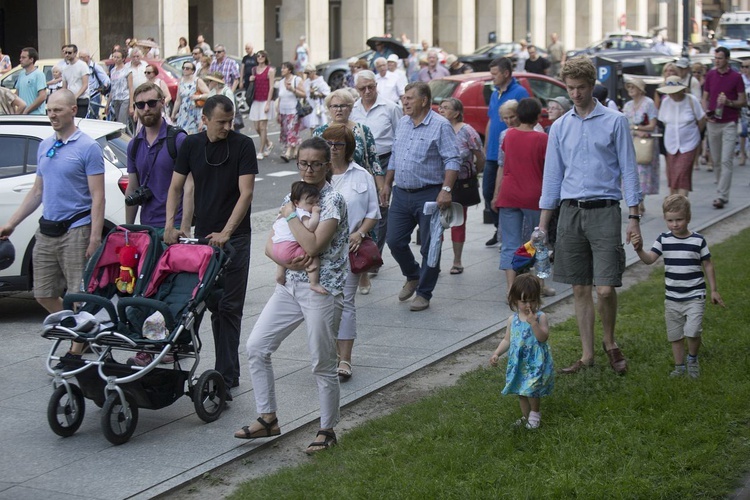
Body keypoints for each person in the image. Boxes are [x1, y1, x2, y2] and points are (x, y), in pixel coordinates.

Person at [238, 136, 349, 455]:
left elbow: (315, 245)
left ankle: (327, 429)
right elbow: (269, 245)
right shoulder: (294, 195)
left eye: (316, 164)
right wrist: (286, 257)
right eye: (303, 163)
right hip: (290, 286)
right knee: (257, 346)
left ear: (328, 166)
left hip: (322, 289)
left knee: (321, 362)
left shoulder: (332, 200)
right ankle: (268, 417)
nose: (309, 169)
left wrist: (289, 216)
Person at [539, 57, 642, 376]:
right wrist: (543, 224)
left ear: (592, 85)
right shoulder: (560, 126)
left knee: (605, 287)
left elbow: (629, 168)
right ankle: (587, 355)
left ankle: (609, 342)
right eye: (570, 89)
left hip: (605, 210)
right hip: (570, 212)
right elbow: (552, 176)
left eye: (581, 88)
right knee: (580, 288)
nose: (575, 94)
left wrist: (634, 215)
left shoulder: (614, 120)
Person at [0, 89, 104, 365]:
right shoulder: (45, 145)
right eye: (48, 110)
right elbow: (37, 190)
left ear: (73, 110)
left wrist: (94, 236)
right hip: (47, 229)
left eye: (57, 110)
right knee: (43, 292)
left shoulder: (88, 147)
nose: (52, 115)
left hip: (77, 229)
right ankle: (81, 330)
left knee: (77, 293)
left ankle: (75, 350)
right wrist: (11, 223)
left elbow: (98, 196)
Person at [165, 95, 257, 392]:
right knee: (191, 303)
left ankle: (226, 376)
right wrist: (174, 225)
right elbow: (177, 187)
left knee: (228, 307)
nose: (227, 127)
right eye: (221, 122)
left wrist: (228, 232)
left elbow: (246, 194)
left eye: (231, 121)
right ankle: (175, 368)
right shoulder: (191, 145)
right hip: (202, 237)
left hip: (235, 238)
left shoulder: (243, 145)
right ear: (204, 120)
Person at [125, 82, 190, 367]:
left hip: (172, 228)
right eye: (141, 105)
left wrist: (183, 227)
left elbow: (190, 186)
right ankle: (157, 343)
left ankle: (159, 346)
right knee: (145, 288)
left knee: (166, 289)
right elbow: (133, 188)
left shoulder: (178, 139)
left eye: (152, 103)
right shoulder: (134, 143)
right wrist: (127, 231)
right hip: (146, 228)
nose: (146, 109)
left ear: (163, 103)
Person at [381, 82, 460, 312]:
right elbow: (395, 156)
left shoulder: (441, 125)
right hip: (402, 192)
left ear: (424, 100)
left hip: (430, 194)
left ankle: (424, 292)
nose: (404, 102)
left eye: (409, 98)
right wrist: (387, 184)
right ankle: (413, 274)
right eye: (403, 98)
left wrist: (446, 190)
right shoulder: (404, 123)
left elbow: (453, 160)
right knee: (394, 240)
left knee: (430, 246)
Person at [631, 195, 724, 379]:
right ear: (665, 219)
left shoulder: (698, 240)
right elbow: (649, 260)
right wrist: (639, 249)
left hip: (695, 295)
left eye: (679, 220)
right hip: (672, 298)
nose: (675, 224)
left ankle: (692, 359)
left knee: (693, 330)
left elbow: (708, 264)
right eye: (670, 220)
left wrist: (713, 290)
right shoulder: (663, 239)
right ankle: (679, 366)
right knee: (675, 335)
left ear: (688, 218)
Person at [321, 124, 380, 380]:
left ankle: (345, 359)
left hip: (349, 250)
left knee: (345, 303)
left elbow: (373, 213)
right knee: (323, 304)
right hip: (320, 250)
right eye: (329, 144)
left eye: (338, 144)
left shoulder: (362, 175)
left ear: (349, 148)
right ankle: (329, 353)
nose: (333, 149)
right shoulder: (316, 174)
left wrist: (360, 233)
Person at [492, 98, 554, 295]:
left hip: (509, 193)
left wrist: (496, 193)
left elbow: (504, 164)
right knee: (539, 241)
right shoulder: (542, 139)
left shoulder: (509, 136)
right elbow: (548, 169)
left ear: (518, 115)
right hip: (534, 195)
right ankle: (540, 285)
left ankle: (511, 289)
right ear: (537, 117)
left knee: (510, 243)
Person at [350, 70, 403, 276]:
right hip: (359, 163)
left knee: (380, 209)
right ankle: (358, 251)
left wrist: (391, 174)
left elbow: (399, 140)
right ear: (357, 89)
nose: (367, 91)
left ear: (376, 86)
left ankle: (374, 256)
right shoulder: (353, 109)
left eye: (370, 87)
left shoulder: (390, 108)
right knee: (360, 209)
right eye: (362, 88)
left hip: (384, 160)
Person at [489, 273, 553, 430]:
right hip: (519, 361)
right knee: (521, 390)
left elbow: (543, 337)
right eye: (524, 301)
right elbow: (507, 340)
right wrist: (497, 353)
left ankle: (535, 414)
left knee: (531, 389)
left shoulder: (540, 317)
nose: (528, 305)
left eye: (532, 300)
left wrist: (534, 324)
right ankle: (526, 417)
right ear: (515, 300)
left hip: (534, 361)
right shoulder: (513, 320)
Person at [484, 57, 530, 248]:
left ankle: (509, 231)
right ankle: (498, 226)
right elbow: (491, 119)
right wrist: (486, 144)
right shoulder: (495, 93)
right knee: (488, 192)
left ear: (506, 73)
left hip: (510, 152)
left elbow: (526, 120)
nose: (492, 77)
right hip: (493, 152)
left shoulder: (520, 92)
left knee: (505, 193)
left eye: (495, 74)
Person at [438, 97, 484, 275]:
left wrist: (473, 174)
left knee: (457, 221)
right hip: (437, 182)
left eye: (446, 108)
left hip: (459, 184)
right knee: (437, 223)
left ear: (457, 113)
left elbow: (480, 157)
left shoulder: (467, 131)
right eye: (440, 107)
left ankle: (457, 261)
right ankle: (435, 261)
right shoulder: (437, 128)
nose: (441, 110)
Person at [702, 46, 746, 209]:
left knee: (727, 159)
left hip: (729, 122)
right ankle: (721, 188)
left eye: (720, 58)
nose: (717, 61)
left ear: (727, 59)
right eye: (715, 58)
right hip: (713, 122)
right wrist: (706, 111)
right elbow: (705, 97)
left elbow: (743, 101)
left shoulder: (736, 77)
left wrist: (728, 102)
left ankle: (721, 195)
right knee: (716, 160)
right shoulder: (711, 74)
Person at [271, 181, 325, 294]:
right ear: (296, 202)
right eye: (311, 203)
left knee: (284, 255)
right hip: (289, 250)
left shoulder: (284, 210)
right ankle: (314, 283)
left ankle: (280, 274)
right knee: (313, 254)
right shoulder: (302, 212)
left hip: (275, 249)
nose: (314, 206)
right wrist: (315, 213)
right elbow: (310, 227)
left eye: (317, 202)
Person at [657, 76, 706, 197]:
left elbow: (701, 119)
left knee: (682, 173)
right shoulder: (666, 102)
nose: (672, 95)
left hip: (689, 143)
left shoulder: (691, 100)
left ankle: (681, 201)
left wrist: (695, 134)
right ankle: (674, 200)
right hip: (671, 144)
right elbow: (663, 121)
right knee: (672, 174)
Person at [623, 77, 658, 215]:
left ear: (640, 89)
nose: (630, 90)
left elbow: (652, 124)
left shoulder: (648, 103)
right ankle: (638, 202)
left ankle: (640, 201)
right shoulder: (627, 105)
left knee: (643, 172)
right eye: (629, 87)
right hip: (631, 142)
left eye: (633, 87)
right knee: (632, 173)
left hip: (644, 143)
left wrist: (637, 128)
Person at [247, 50, 275, 160]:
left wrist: (268, 103)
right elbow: (252, 86)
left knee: (263, 127)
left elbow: (271, 87)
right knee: (256, 127)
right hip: (256, 100)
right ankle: (269, 143)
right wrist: (250, 80)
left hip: (265, 100)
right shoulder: (254, 70)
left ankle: (261, 150)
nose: (260, 57)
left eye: (262, 55)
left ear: (266, 57)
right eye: (258, 56)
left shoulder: (270, 70)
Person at [276, 61, 306, 162]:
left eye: (284, 68)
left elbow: (304, 94)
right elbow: (280, 98)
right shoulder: (280, 82)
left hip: (293, 110)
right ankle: (296, 150)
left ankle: (288, 153)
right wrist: (278, 112)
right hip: (283, 111)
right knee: (285, 131)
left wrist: (293, 89)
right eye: (281, 68)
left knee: (291, 130)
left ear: (289, 70)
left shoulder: (296, 80)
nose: (282, 70)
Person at [170, 60, 209, 134]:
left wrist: (198, 97)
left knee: (195, 134)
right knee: (183, 133)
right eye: (183, 68)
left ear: (192, 71)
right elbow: (178, 100)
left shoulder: (197, 81)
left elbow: (209, 94)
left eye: (187, 68)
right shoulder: (181, 82)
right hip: (184, 113)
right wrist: (173, 114)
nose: (185, 70)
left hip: (195, 112)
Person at [78, 48, 110, 119]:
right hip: (83, 96)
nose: (81, 59)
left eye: (82, 57)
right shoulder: (78, 68)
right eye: (79, 57)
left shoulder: (95, 67)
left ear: (88, 57)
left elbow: (105, 79)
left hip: (94, 96)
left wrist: (105, 85)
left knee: (93, 117)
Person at [61, 44, 90, 118]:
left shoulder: (82, 65)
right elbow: (64, 87)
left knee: (79, 121)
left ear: (75, 53)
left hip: (82, 99)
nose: (67, 55)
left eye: (69, 53)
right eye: (65, 53)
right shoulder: (65, 68)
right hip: (70, 101)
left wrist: (75, 96)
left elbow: (85, 85)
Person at [16, 47, 47, 115]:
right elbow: (16, 95)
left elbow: (42, 96)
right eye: (20, 57)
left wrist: (27, 110)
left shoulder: (39, 74)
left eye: (23, 57)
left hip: (36, 115)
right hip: (23, 116)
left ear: (31, 59)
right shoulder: (21, 74)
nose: (20, 60)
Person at [301, 64, 330, 133]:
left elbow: (327, 94)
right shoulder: (306, 82)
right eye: (306, 73)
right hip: (310, 107)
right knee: (312, 126)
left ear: (313, 72)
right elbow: (305, 94)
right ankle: (314, 140)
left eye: (308, 73)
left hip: (318, 107)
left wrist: (316, 93)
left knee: (321, 126)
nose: (307, 75)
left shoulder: (320, 82)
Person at [107, 49, 131, 126]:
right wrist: (108, 103)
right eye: (114, 57)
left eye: (118, 57)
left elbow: (131, 88)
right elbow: (112, 88)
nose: (115, 59)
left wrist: (131, 105)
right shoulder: (112, 71)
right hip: (116, 98)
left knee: (122, 121)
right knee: (117, 121)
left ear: (123, 59)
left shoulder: (127, 70)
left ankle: (123, 136)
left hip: (124, 98)